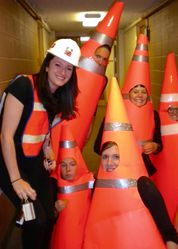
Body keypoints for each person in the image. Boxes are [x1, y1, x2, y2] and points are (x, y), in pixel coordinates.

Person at [0, 38, 81, 249]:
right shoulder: (23, 86)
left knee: (50, 214)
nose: (63, 72)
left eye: (69, 68)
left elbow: (43, 132)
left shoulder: (56, 96)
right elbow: (5, 136)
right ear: (47, 65)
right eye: (57, 64)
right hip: (9, 164)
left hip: (34, 162)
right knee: (35, 219)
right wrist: (16, 179)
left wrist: (49, 153)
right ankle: (26, 220)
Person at [100, 141, 178, 249]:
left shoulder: (143, 185)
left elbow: (169, 233)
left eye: (116, 157)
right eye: (105, 157)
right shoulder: (97, 189)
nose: (109, 162)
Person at [94, 84, 162, 176]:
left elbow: (159, 144)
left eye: (143, 92)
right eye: (135, 92)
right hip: (118, 170)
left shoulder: (154, 116)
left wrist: (155, 146)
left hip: (144, 170)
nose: (140, 95)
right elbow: (98, 146)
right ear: (128, 94)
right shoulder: (113, 114)